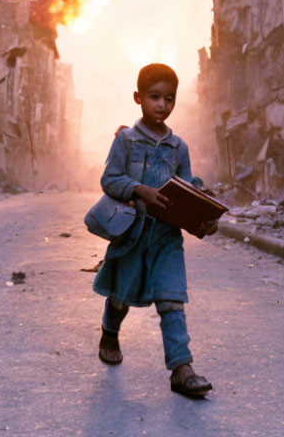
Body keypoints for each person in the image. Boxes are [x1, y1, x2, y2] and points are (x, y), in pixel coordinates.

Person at [93, 63, 218, 397]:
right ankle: (109, 331)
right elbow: (110, 179)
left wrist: (205, 210)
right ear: (138, 98)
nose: (162, 105)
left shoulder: (179, 148)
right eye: (154, 97)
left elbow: (188, 185)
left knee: (172, 300)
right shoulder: (125, 140)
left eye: (169, 98)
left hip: (166, 238)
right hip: (131, 234)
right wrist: (139, 190)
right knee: (120, 295)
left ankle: (181, 368)